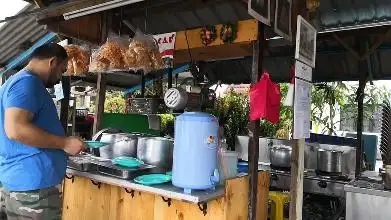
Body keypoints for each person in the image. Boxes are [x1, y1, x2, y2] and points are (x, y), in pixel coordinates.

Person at [0, 43, 85, 220]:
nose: (60, 78)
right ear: (52, 62)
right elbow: (15, 129)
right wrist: (65, 143)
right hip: (32, 189)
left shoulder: (13, 82)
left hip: (20, 182)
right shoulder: (27, 83)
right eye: (61, 71)